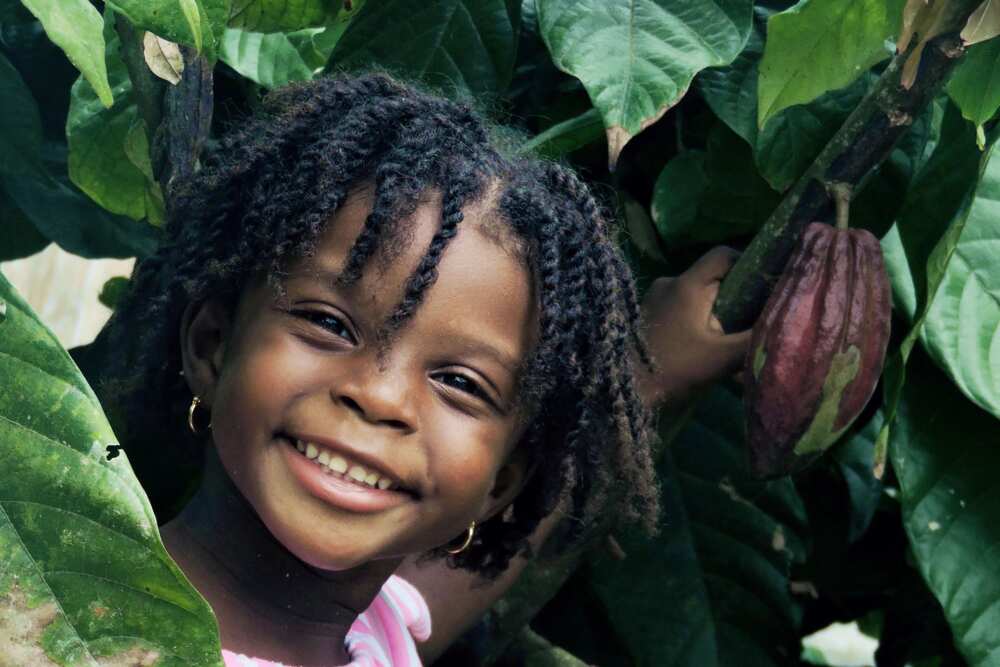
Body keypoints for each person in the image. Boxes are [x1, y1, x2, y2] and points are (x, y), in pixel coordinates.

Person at [97, 72, 752, 666]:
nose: (380, 396)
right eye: (329, 323)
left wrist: (649, 374)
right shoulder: (62, 628)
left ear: (501, 488)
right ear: (213, 348)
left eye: (463, 384)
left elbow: (427, 605)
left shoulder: (365, 639)